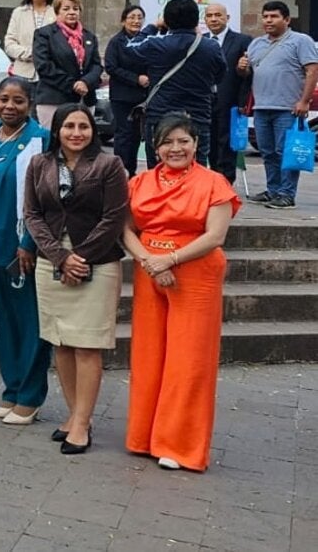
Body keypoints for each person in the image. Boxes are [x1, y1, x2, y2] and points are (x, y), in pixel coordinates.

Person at [122, 112, 240, 472]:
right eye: (167, 142)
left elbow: (215, 236)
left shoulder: (214, 182)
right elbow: (125, 229)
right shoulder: (139, 182)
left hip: (195, 271)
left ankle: (179, 443)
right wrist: (149, 261)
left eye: (183, 141)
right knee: (148, 354)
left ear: (196, 144)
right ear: (154, 147)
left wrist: (169, 260)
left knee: (188, 359)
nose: (175, 148)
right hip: (150, 270)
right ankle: (144, 435)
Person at [23, 103, 128, 455]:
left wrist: (80, 257)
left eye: (84, 126)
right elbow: (32, 214)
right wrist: (61, 257)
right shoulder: (40, 163)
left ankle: (82, 424)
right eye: (69, 126)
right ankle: (73, 414)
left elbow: (114, 217)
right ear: (57, 130)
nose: (76, 133)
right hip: (52, 259)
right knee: (61, 342)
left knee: (87, 344)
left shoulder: (108, 165)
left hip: (96, 260)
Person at [0, 78, 50, 426]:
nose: (9, 106)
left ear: (29, 104)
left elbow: (44, 201)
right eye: (4, 99)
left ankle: (30, 396)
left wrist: (28, 244)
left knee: (29, 322)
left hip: (22, 248)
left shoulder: (39, 141)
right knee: (4, 321)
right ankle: (12, 389)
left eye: (18, 101)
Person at [117, 0, 225, 166]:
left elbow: (128, 48)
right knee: (196, 168)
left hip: (160, 115)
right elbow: (219, 75)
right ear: (197, 19)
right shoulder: (211, 47)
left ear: (167, 20)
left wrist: (153, 26)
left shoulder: (156, 44)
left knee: (159, 169)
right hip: (198, 115)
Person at [239, 0, 318, 208]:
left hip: (288, 108)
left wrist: (304, 100)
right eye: (265, 16)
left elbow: (312, 71)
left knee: (286, 152)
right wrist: (242, 67)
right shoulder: (256, 44)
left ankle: (287, 194)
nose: (268, 20)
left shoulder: (301, 41)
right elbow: (248, 73)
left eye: (273, 16)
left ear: (287, 19)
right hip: (261, 107)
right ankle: (273, 190)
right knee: (267, 151)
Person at [31, 0, 103, 129]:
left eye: (75, 9)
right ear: (57, 12)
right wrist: (73, 85)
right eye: (66, 9)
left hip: (85, 99)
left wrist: (85, 82)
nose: (71, 12)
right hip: (54, 98)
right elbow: (44, 66)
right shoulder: (45, 34)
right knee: (53, 141)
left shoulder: (89, 37)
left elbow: (97, 65)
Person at [202, 3, 251, 183]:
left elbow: (248, 75)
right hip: (204, 102)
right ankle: (212, 180)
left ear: (227, 18)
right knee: (209, 144)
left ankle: (225, 183)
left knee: (226, 145)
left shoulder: (242, 40)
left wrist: (242, 70)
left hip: (229, 102)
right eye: (209, 16)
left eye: (218, 15)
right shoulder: (201, 40)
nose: (214, 19)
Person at [103, 5, 149, 176]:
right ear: (123, 20)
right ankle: (120, 171)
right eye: (132, 17)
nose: (136, 21)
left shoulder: (147, 40)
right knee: (124, 135)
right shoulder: (116, 42)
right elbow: (111, 67)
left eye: (139, 17)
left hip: (142, 97)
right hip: (122, 96)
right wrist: (136, 79)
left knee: (137, 136)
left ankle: (132, 171)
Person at [2, 0, 56, 83]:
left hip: (51, 74)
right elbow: (9, 43)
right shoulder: (19, 12)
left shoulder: (57, 12)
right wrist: (31, 54)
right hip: (22, 74)